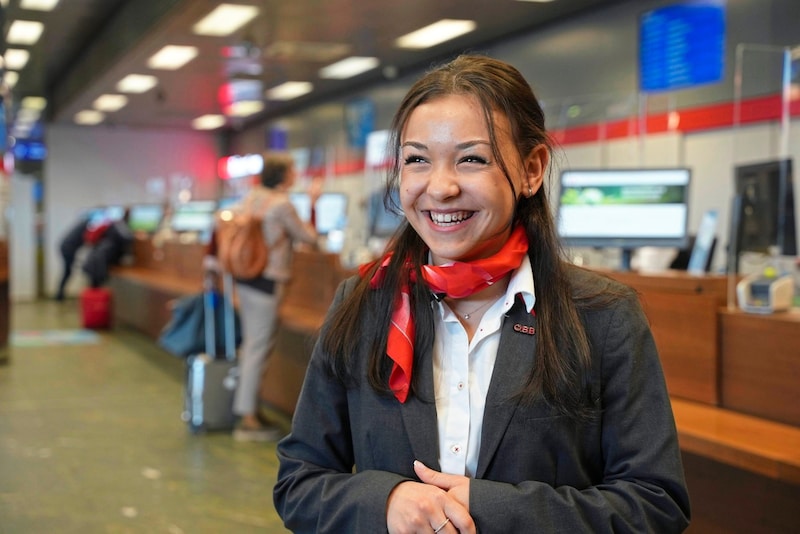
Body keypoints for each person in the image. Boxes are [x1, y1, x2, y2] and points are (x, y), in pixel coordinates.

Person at [273, 55, 691, 533]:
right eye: (416, 160)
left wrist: (490, 510)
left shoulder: (603, 317)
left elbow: (655, 504)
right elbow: (299, 483)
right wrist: (385, 502)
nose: (441, 187)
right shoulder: (365, 304)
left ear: (532, 170)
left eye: (472, 159)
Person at [227, 152, 320, 442]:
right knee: (257, 348)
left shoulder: (251, 197)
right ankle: (248, 419)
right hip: (267, 282)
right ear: (283, 175)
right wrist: (314, 203)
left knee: (252, 345)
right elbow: (309, 238)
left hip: (245, 278)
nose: (295, 176)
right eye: (292, 171)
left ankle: (248, 410)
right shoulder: (281, 205)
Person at [82, 208, 133, 288]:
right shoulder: (120, 226)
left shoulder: (111, 229)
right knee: (97, 288)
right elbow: (127, 238)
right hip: (98, 265)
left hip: (92, 264)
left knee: (94, 287)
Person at [55, 212, 91, 300]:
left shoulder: (81, 225)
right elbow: (88, 240)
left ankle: (60, 294)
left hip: (66, 248)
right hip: (68, 250)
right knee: (68, 272)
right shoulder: (84, 227)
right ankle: (59, 295)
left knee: (68, 272)